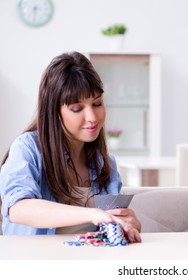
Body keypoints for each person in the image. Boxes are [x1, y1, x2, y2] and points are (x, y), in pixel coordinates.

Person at [0, 52, 141, 242]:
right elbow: (18, 208)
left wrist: (129, 225)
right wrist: (93, 214)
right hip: (35, 263)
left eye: (97, 103)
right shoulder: (27, 148)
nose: (92, 117)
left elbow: (109, 229)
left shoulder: (104, 162)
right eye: (77, 108)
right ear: (54, 111)